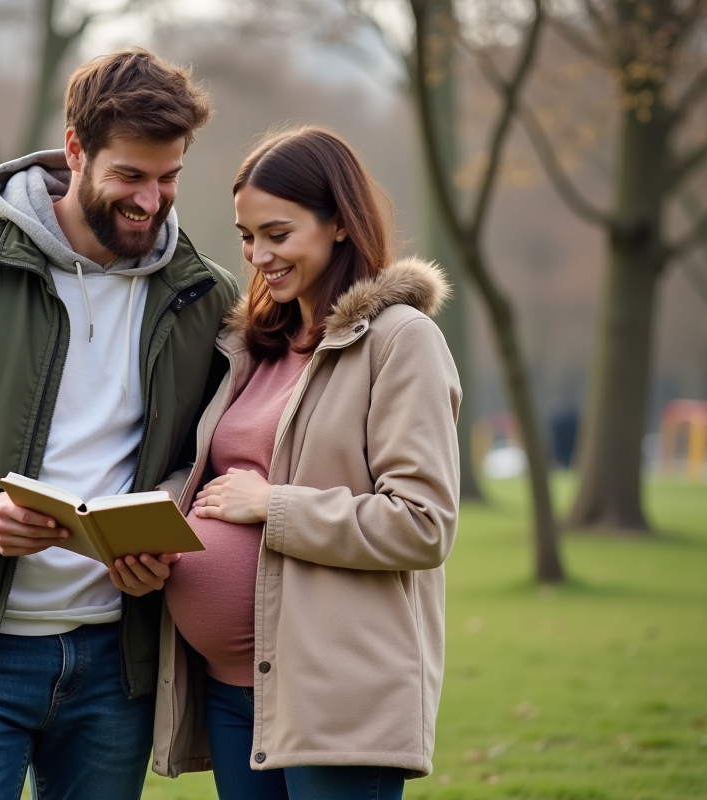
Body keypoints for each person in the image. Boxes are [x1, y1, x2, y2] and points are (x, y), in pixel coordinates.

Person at [0, 48, 238, 800]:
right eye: (130, 176)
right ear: (76, 150)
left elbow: (213, 458)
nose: (152, 202)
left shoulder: (206, 295)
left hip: (116, 669)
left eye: (169, 178)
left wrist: (168, 530)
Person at [152, 126, 462, 799]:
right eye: (246, 236)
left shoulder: (401, 343)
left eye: (278, 233)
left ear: (340, 225)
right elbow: (213, 480)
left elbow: (423, 523)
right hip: (234, 694)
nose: (258, 255)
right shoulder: (254, 344)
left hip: (335, 697)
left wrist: (274, 505)